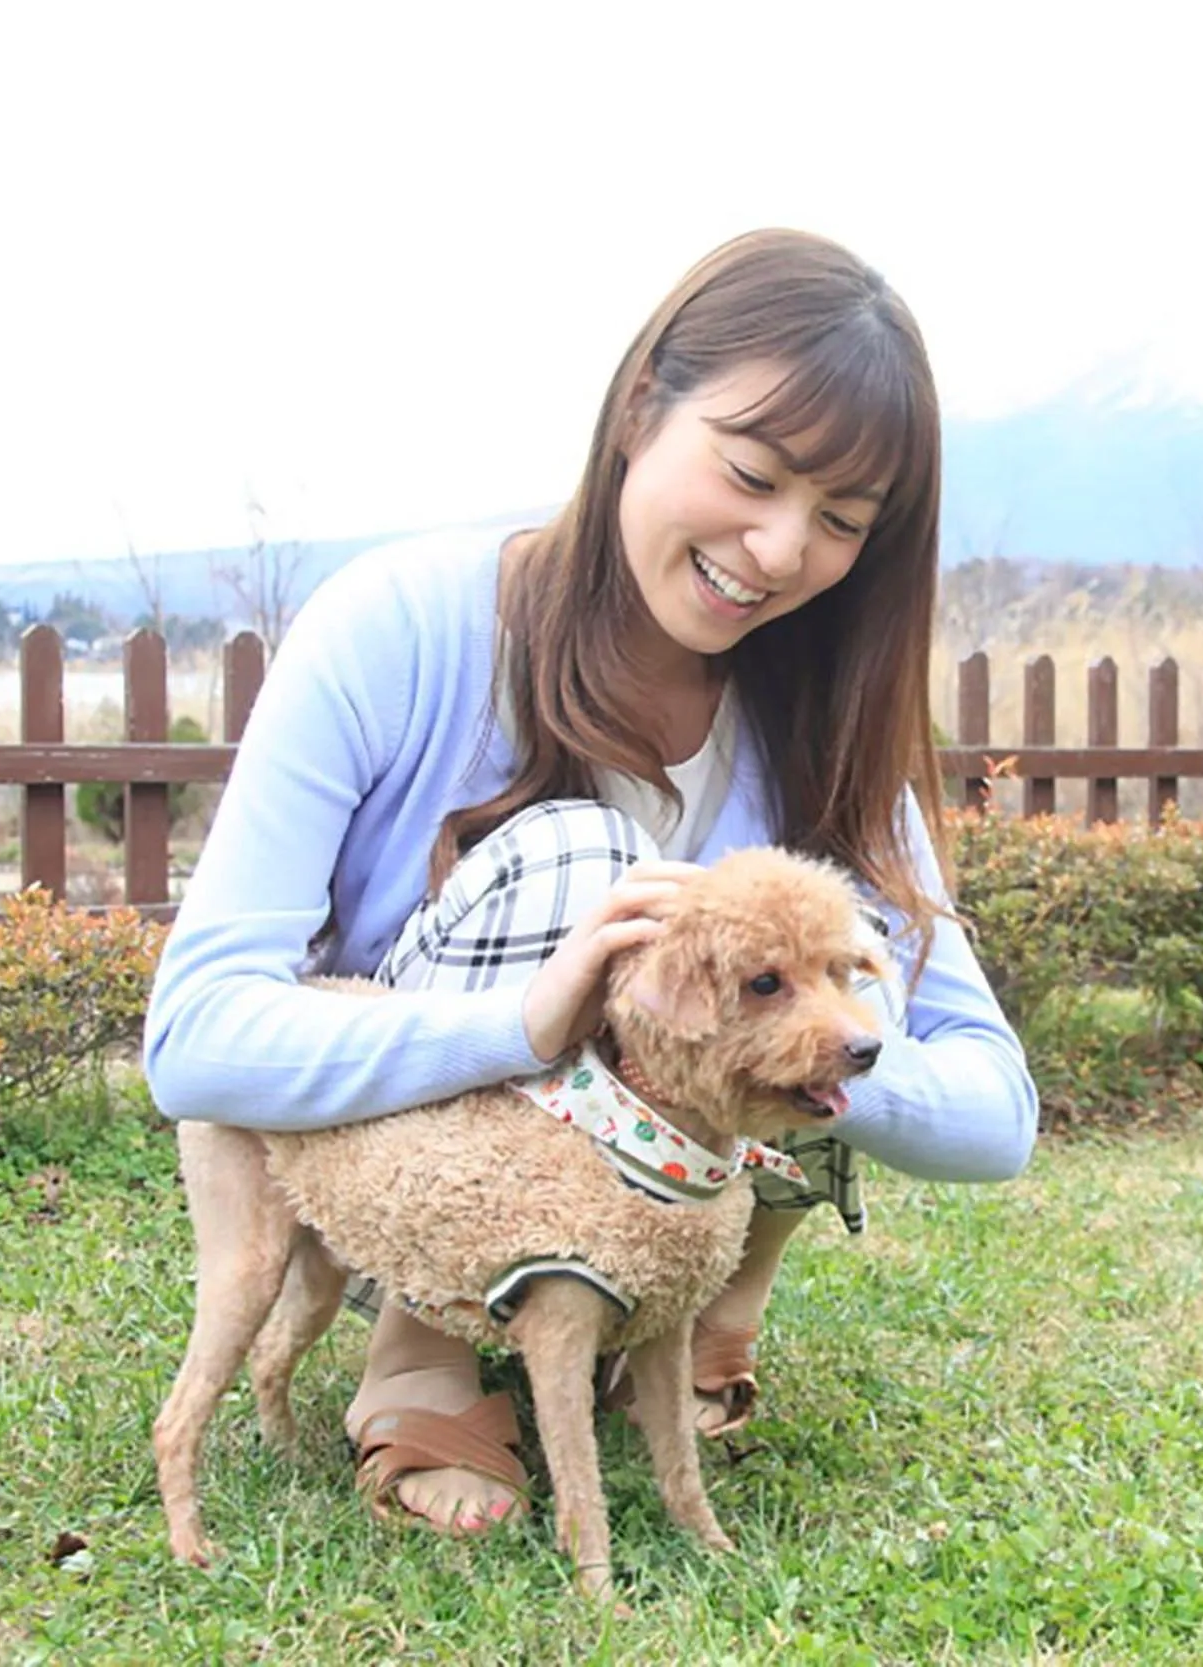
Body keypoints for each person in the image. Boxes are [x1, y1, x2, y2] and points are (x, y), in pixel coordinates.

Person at [143, 229, 1038, 1538]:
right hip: (426, 1136)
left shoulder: (826, 729)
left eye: (842, 522)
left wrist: (795, 1038)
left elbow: (992, 1104)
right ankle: (423, 1343)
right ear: (638, 410)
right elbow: (196, 1033)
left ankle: (697, 1298)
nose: (782, 550)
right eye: (752, 472)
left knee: (795, 968)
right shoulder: (399, 626)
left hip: (671, 1157)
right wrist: (528, 1019)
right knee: (596, 877)